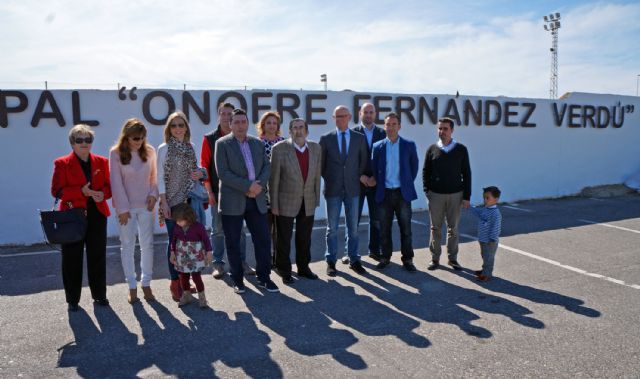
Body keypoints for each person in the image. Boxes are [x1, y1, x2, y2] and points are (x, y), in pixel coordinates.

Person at [215, 108, 279, 294]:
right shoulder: (222, 144)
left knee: (263, 240)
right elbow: (223, 173)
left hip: (256, 199)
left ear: (248, 123)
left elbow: (267, 167)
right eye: (236, 122)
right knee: (233, 242)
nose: (240, 125)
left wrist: (258, 186)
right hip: (232, 201)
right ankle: (238, 280)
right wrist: (248, 186)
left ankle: (264, 278)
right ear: (230, 124)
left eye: (243, 122)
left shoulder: (257, 143)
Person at [51, 124, 111, 312]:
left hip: (97, 215)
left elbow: (109, 186)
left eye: (88, 140)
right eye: (80, 140)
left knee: (97, 256)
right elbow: (57, 191)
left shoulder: (101, 162)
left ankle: (100, 295)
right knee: (71, 259)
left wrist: (103, 194)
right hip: (71, 216)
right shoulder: (61, 163)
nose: (84, 143)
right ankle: (72, 300)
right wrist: (80, 192)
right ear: (72, 143)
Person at [157, 111, 205, 301]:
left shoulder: (190, 147)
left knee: (188, 243)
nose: (178, 129)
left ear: (186, 128)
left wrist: (200, 173)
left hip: (189, 201)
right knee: (174, 242)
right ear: (169, 129)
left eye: (181, 125)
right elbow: (159, 176)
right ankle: (175, 281)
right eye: (174, 125)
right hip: (171, 202)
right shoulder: (164, 148)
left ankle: (186, 281)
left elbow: (196, 170)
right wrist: (164, 202)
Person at [109, 118, 158, 304]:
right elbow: (116, 181)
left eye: (142, 137)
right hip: (126, 208)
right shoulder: (115, 154)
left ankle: (146, 283)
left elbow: (154, 176)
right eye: (135, 138)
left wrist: (154, 194)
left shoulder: (150, 151)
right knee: (127, 246)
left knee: (148, 245)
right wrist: (122, 208)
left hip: (146, 206)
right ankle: (131, 285)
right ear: (127, 137)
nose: (139, 141)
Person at [269, 118, 322, 284]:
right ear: (290, 131)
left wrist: (316, 198)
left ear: (306, 130)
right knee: (283, 238)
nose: (298, 130)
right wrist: (274, 204)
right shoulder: (279, 149)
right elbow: (274, 179)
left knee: (304, 237)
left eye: (301, 127)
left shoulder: (315, 147)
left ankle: (303, 267)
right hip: (285, 201)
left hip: (308, 200)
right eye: (294, 128)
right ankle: (284, 270)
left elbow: (317, 175)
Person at [201, 102, 249, 280]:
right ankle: (218, 264)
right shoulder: (209, 139)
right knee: (218, 229)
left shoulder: (240, 137)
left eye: (230, 114)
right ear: (219, 115)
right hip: (217, 192)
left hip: (238, 192)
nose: (227, 117)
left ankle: (242, 262)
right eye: (224, 113)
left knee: (240, 230)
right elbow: (205, 167)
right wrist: (210, 193)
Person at [319, 105, 368, 276]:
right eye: (337, 116)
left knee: (353, 227)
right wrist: (332, 179)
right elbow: (321, 166)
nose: (340, 119)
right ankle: (331, 261)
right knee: (331, 228)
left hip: (353, 189)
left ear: (349, 117)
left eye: (343, 116)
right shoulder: (326, 139)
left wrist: (355, 178)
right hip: (333, 189)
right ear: (333, 118)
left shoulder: (359, 138)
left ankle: (354, 258)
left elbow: (362, 162)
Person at [370, 113, 418, 272]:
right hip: (384, 194)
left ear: (399, 126)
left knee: (406, 229)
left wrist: (405, 183)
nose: (390, 127)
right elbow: (374, 168)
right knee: (384, 228)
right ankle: (385, 257)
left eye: (394, 124)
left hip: (402, 194)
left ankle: (408, 259)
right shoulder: (377, 146)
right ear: (384, 126)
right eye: (388, 124)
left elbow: (414, 167)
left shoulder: (409, 145)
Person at [422, 117, 472, 271]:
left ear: (452, 130)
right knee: (435, 228)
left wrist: (466, 197)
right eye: (440, 128)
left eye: (445, 129)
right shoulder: (432, 149)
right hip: (435, 196)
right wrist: (427, 192)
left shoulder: (461, 149)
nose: (442, 131)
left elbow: (467, 173)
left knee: (453, 229)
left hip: (456, 195)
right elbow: (426, 172)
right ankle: (435, 259)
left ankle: (453, 259)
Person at [350, 102, 386, 263]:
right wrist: (361, 176)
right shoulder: (352, 133)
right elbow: (349, 160)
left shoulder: (383, 133)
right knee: (353, 219)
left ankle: (374, 250)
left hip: (376, 184)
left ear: (375, 114)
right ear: (360, 113)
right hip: (357, 182)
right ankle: (350, 252)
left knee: (376, 219)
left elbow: (386, 159)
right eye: (366, 112)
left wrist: (376, 178)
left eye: (371, 112)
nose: (369, 115)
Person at [256, 111, 285, 268]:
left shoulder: (284, 142)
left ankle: (278, 259)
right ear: (263, 125)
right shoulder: (257, 143)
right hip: (262, 192)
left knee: (279, 230)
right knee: (265, 230)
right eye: (269, 123)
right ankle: (266, 259)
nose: (272, 126)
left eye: (274, 123)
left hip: (281, 192)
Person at [169, 203, 213, 308]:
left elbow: (206, 240)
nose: (178, 223)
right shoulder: (177, 228)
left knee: (196, 277)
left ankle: (202, 298)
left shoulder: (198, 227)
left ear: (188, 217)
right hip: (181, 255)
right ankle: (186, 295)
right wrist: (172, 252)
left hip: (195, 256)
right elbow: (173, 241)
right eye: (176, 220)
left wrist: (209, 252)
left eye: (180, 220)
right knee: (183, 277)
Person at [469, 186, 502, 282]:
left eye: (488, 198)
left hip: (490, 241)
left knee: (489, 258)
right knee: (484, 256)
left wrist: (492, 239)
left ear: (496, 200)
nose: (485, 200)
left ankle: (487, 274)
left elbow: (496, 227)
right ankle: (484, 270)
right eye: (484, 197)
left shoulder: (495, 213)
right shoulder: (485, 209)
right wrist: (469, 207)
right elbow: (477, 212)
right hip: (483, 239)